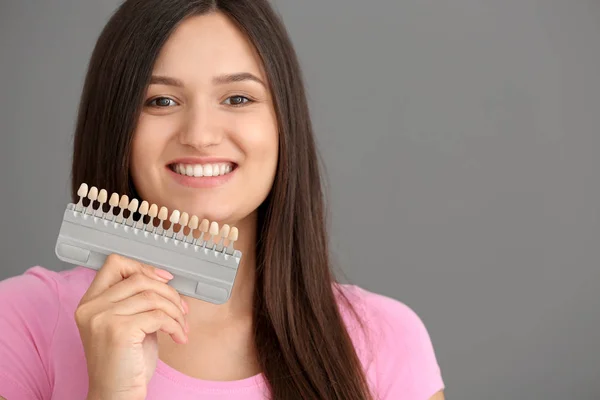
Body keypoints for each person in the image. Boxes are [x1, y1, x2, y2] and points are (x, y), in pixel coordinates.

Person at [0, 1, 445, 399]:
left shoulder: (385, 339)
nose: (199, 135)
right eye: (160, 100)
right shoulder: (20, 323)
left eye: (237, 97)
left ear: (282, 124)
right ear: (116, 126)